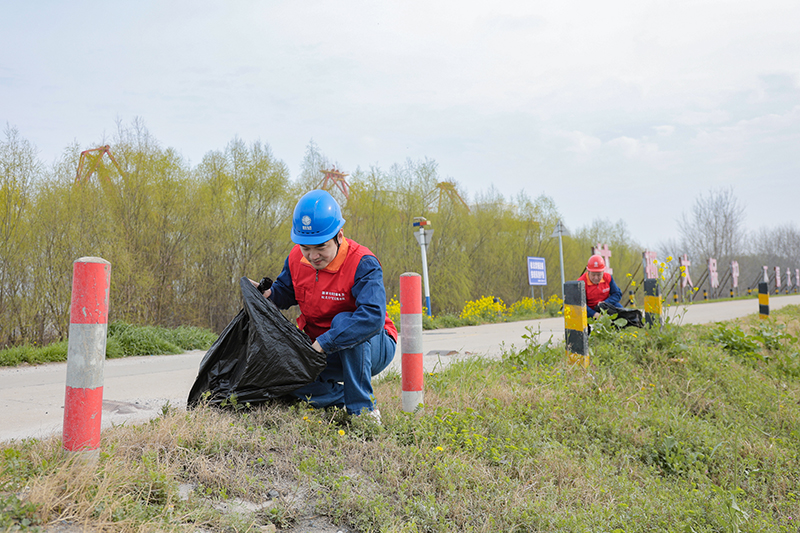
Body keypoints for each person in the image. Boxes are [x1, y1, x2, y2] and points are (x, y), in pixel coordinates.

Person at [251, 189, 397, 420]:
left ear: (339, 236)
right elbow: (286, 293)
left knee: (345, 321)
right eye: (306, 248)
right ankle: (341, 397)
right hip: (319, 346)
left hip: (371, 346)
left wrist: (325, 343)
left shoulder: (363, 263)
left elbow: (371, 317)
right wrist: (267, 293)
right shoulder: (295, 258)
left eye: (320, 247)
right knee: (286, 377)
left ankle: (363, 412)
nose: (312, 256)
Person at [577, 254, 622, 318]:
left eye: (599, 275)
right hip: (588, 310)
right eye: (593, 274)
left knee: (619, 308)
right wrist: (594, 314)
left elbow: (617, 294)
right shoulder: (580, 282)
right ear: (588, 271)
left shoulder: (608, 278)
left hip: (604, 306)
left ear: (603, 272)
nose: (596, 278)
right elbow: (579, 303)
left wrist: (605, 303)